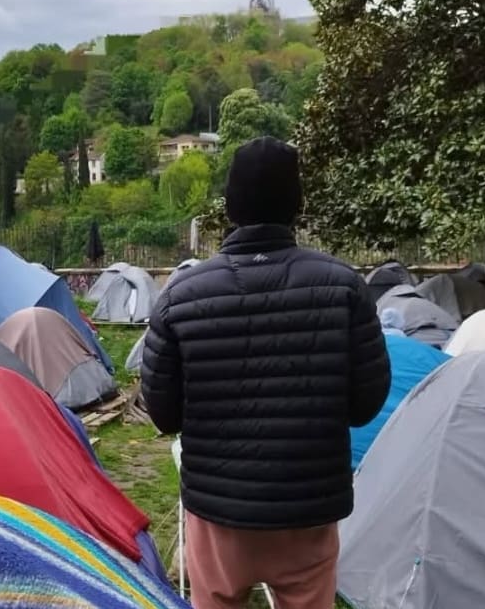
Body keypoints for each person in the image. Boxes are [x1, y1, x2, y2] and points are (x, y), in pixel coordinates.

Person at [141, 137, 391, 609]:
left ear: (231, 205)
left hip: (218, 513)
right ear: (296, 205)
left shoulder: (182, 295)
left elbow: (164, 413)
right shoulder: (344, 287)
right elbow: (366, 404)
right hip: (309, 511)